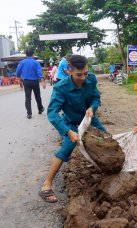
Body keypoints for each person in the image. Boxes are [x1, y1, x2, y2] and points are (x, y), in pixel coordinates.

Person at [39, 55, 106, 203]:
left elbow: (96, 98)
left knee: (106, 139)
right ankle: (46, 184)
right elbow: (52, 113)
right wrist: (69, 132)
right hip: (71, 123)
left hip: (89, 119)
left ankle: (110, 172)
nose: (83, 78)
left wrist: (92, 107)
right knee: (66, 148)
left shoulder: (91, 79)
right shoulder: (61, 88)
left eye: (86, 73)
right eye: (79, 74)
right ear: (69, 71)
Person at [16, 48, 46, 119]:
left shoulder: (22, 62)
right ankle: (40, 109)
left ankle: (29, 113)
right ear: (33, 54)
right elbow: (39, 73)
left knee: (28, 98)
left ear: (26, 55)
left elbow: (18, 72)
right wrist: (43, 82)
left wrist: (19, 78)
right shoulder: (36, 63)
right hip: (35, 82)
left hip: (26, 82)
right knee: (37, 96)